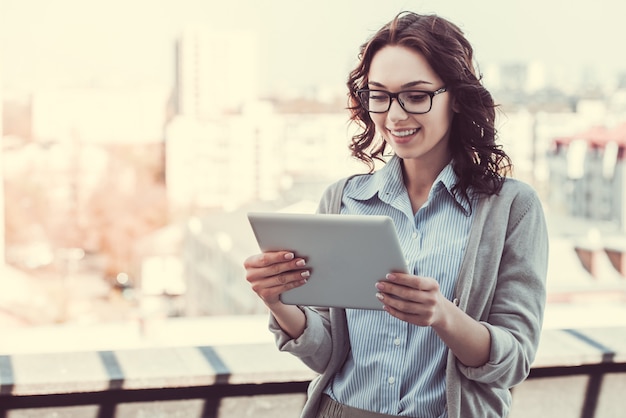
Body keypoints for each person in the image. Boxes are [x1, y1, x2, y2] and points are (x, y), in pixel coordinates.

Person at [244, 11, 548, 418]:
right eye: (379, 95)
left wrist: (443, 316)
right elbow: (326, 354)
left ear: (456, 96)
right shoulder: (343, 201)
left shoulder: (511, 208)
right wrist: (278, 303)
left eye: (416, 95)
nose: (394, 116)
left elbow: (513, 362)